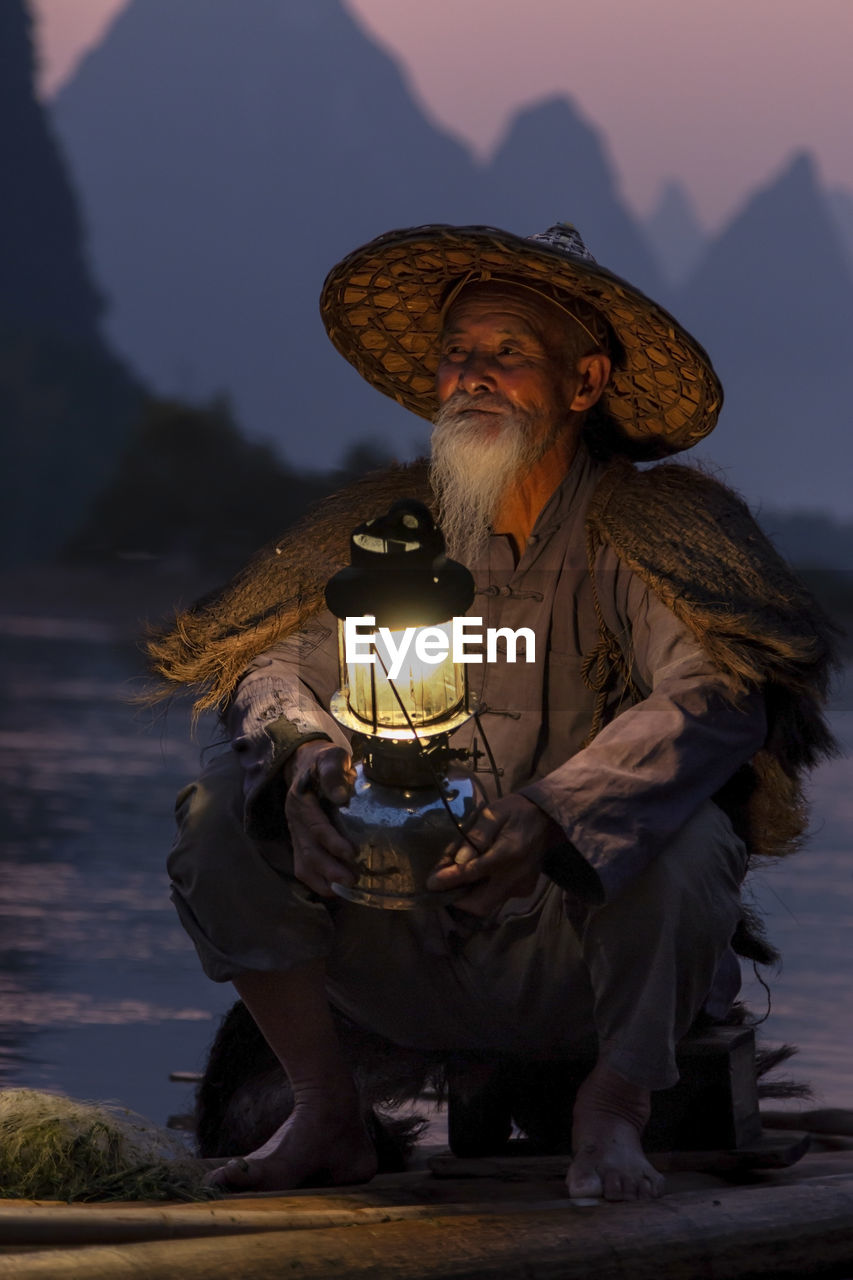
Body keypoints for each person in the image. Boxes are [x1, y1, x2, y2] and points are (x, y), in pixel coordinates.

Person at [152, 222, 836, 1202]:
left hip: (571, 953)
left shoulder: (654, 528)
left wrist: (551, 811)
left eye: (507, 356)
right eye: (456, 356)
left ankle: (612, 1109)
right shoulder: (386, 530)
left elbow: (716, 693)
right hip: (404, 928)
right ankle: (325, 1105)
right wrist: (300, 749)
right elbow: (274, 664)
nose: (471, 377)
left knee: (686, 836)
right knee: (225, 796)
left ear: (584, 382)